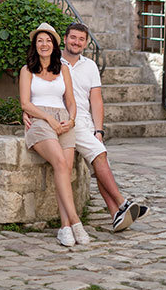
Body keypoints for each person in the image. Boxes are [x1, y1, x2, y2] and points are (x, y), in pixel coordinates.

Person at [58, 22, 148, 231]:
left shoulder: (90, 66)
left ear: (86, 42)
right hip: (67, 121)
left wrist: (98, 130)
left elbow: (96, 100)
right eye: (73, 37)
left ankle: (115, 214)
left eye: (81, 39)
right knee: (99, 155)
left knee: (99, 163)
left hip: (86, 123)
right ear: (65, 39)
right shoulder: (55, 62)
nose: (76, 42)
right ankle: (123, 203)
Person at [19, 22, 88, 247]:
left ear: (55, 45)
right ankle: (76, 221)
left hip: (63, 120)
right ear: (35, 45)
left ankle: (65, 227)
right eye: (40, 40)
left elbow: (71, 101)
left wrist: (71, 120)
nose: (44, 44)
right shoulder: (27, 70)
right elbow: (25, 103)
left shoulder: (63, 69)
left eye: (48, 40)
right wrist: (48, 119)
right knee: (59, 162)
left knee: (65, 170)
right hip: (40, 120)